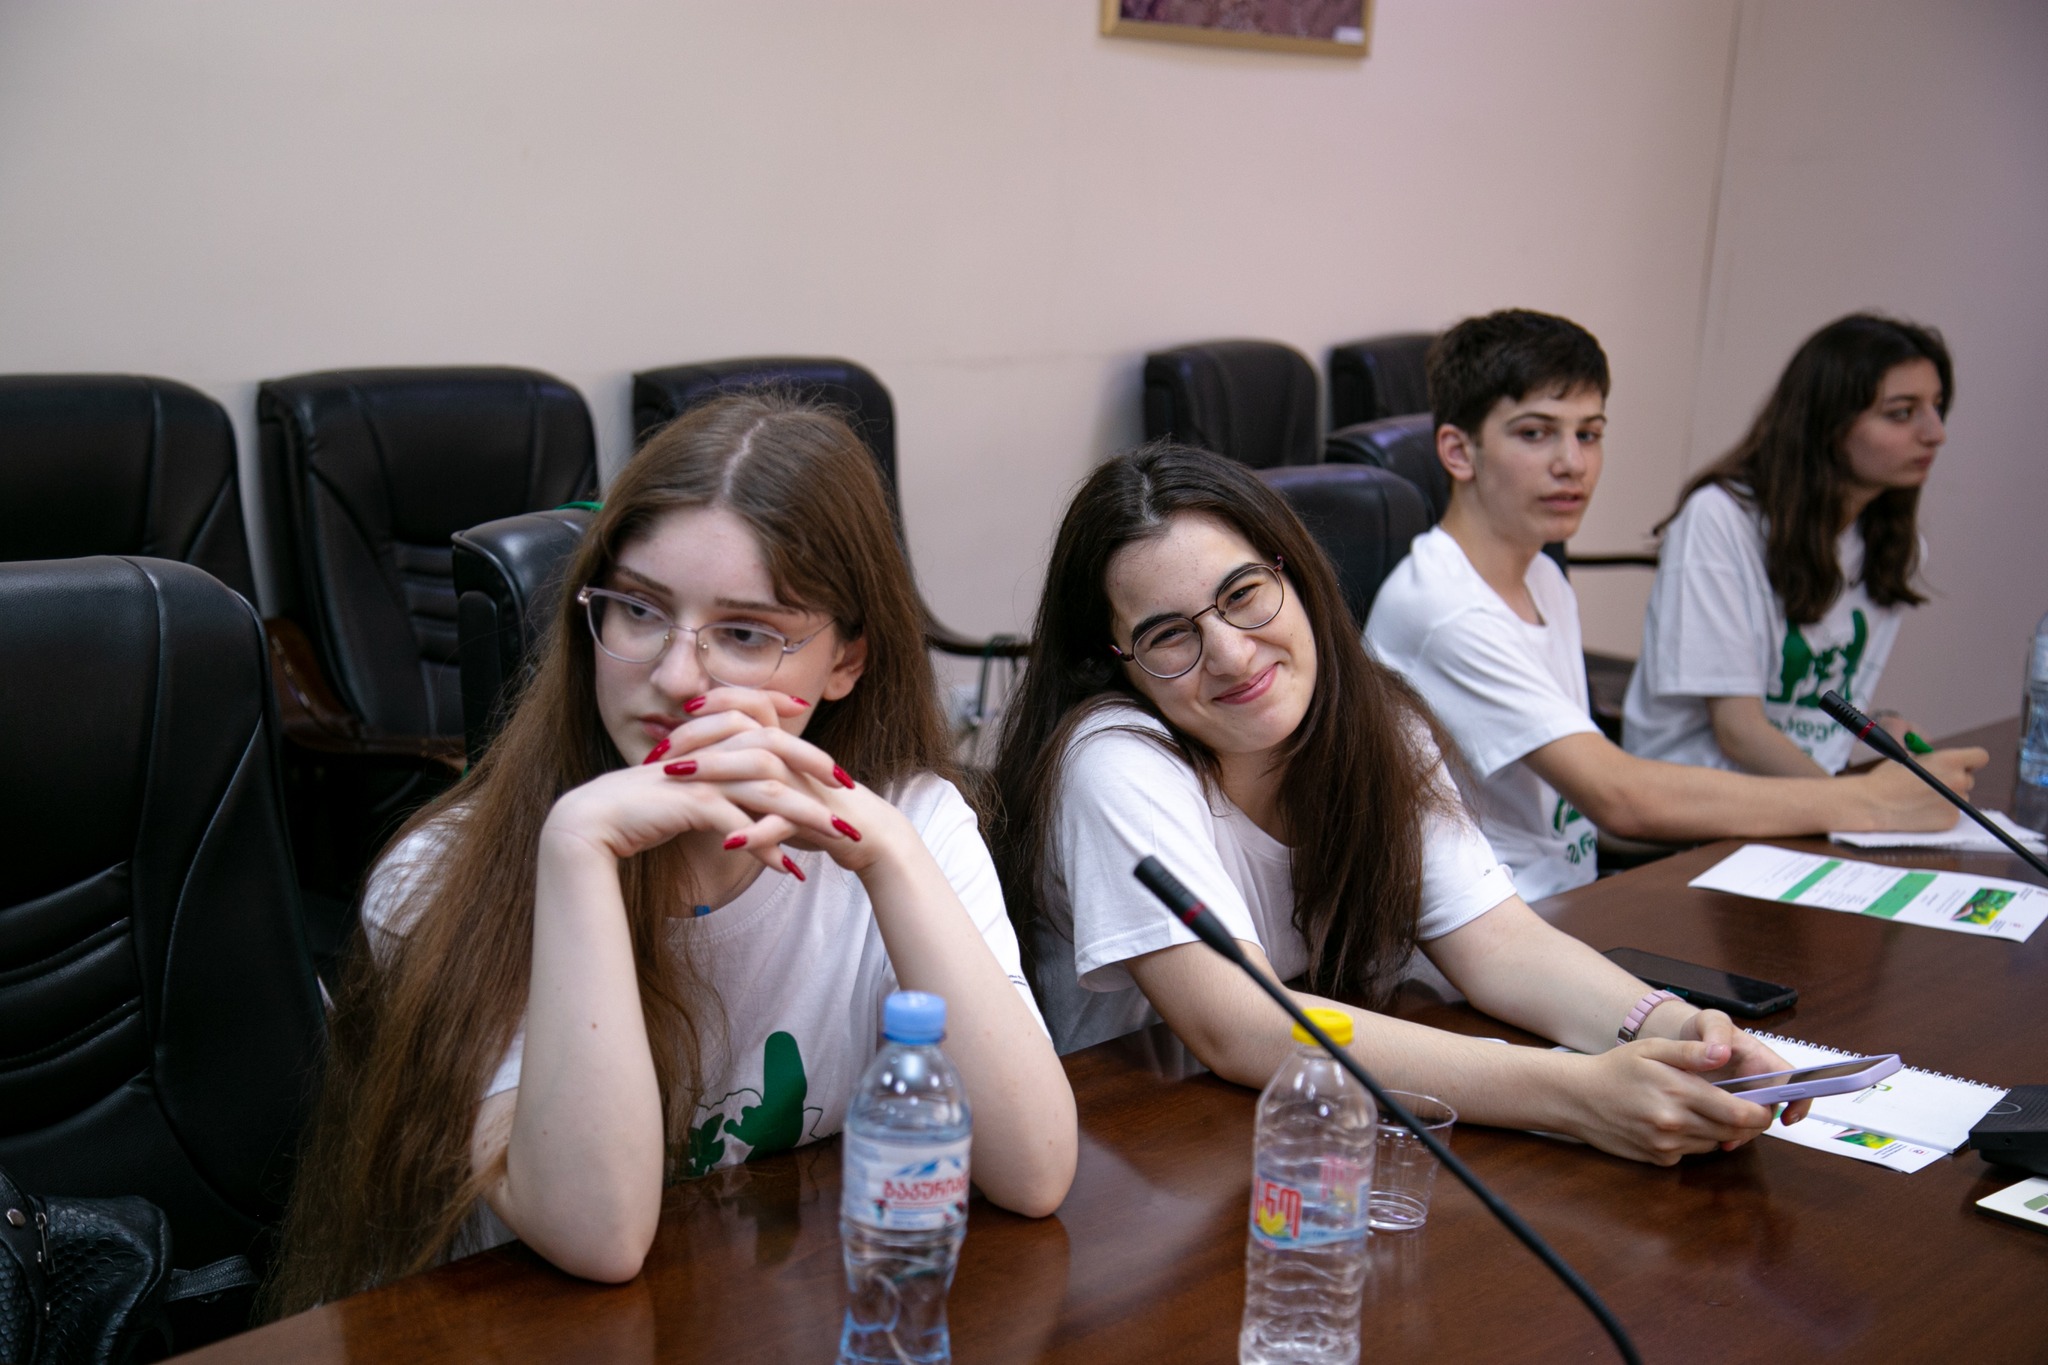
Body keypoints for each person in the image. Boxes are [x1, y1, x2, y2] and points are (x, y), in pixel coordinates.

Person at [265, 395, 1075, 1313]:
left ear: (846, 660)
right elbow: (598, 1235)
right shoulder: (437, 875)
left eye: (745, 632)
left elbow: (1034, 1168)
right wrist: (578, 850)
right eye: (638, 610)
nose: (676, 675)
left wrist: (887, 853)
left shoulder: (909, 824)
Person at [992, 443, 1812, 1166]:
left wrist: (1677, 1032)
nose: (1232, 654)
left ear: (1292, 571)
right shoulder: (1113, 758)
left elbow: (1500, 943)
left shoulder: (1375, 722)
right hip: (1144, 1159)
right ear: (1119, 664)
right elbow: (1239, 1023)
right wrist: (1579, 1094)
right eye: (1169, 635)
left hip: (1302, 1124)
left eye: (1243, 593)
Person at [1364, 309, 1981, 900]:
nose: (1573, 464)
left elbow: (1578, 816)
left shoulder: (1541, 576)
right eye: (1535, 433)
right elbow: (1617, 797)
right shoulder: (1445, 608)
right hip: (1487, 934)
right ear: (1458, 452)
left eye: (1589, 434)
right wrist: (1871, 803)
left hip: (1566, 901)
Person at [1625, 312, 1956, 776]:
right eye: (1901, 413)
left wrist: (1881, 728)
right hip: (1701, 800)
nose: (1935, 434)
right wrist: (1859, 804)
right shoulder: (1719, 517)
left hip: (1804, 797)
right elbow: (1738, 732)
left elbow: (1813, 720)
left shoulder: (1895, 545)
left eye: (1937, 407)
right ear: (1829, 423)